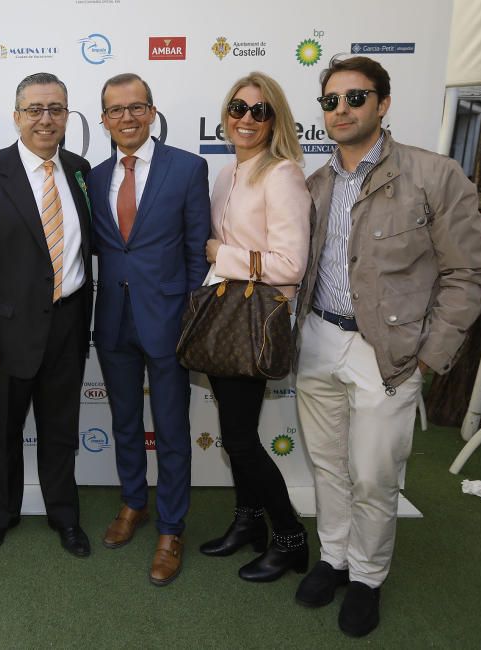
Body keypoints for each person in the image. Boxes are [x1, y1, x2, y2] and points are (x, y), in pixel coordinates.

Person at [294, 55, 481, 637]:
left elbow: (472, 274)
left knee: (374, 473)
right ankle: (333, 559)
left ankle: (367, 576)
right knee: (328, 464)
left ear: (383, 104)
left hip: (387, 351)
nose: (341, 109)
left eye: (355, 98)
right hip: (317, 340)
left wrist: (432, 353)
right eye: (331, 101)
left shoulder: (434, 175)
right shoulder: (316, 183)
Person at [0, 72, 94, 558]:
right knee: (5, 432)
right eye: (34, 109)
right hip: (5, 335)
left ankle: (65, 518)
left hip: (69, 325)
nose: (45, 119)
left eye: (55, 108)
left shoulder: (80, 170)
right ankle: (0, 517)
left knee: (61, 432)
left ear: (68, 116)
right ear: (16, 117)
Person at [88, 73, 209, 585]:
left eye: (136, 107)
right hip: (113, 323)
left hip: (167, 323)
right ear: (103, 120)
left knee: (173, 429)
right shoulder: (92, 178)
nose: (127, 118)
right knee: (123, 423)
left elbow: (196, 250)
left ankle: (171, 528)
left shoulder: (187, 167)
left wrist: (184, 315)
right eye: (115, 110)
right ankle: (133, 503)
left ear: (153, 111)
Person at [199, 72, 311, 582]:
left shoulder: (282, 173)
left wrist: (224, 254)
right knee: (233, 434)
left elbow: (290, 264)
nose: (246, 118)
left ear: (274, 120)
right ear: (226, 115)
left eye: (259, 111)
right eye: (238, 108)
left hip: (256, 324)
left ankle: (289, 537)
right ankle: (248, 524)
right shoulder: (226, 175)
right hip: (226, 320)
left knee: (241, 440)